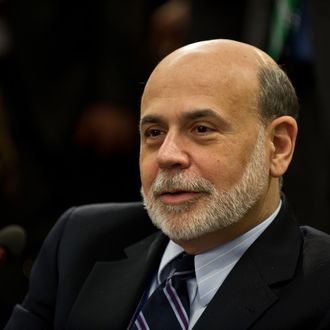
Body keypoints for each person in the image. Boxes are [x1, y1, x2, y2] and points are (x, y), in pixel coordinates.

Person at [5, 39, 330, 330]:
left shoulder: (320, 286)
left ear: (278, 145)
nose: (167, 155)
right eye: (154, 133)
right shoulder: (80, 241)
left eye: (202, 129)